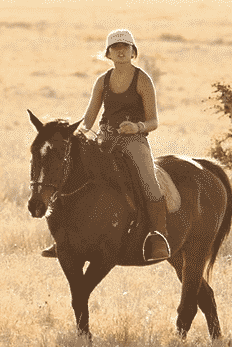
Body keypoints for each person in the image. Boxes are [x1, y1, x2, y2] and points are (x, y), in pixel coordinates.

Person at [62, 29, 170, 262]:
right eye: (115, 48)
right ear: (108, 54)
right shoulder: (102, 81)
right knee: (75, 173)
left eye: (125, 47)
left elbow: (154, 121)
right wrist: (75, 137)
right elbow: (89, 119)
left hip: (133, 141)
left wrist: (137, 127)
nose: (120, 51)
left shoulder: (143, 79)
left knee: (148, 179)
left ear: (133, 52)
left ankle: (158, 235)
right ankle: (65, 236)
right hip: (105, 139)